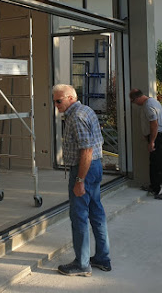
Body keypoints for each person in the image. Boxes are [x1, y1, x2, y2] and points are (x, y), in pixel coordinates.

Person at [53, 84, 111, 277]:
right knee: (96, 213)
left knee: (79, 216)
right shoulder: (85, 110)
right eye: (54, 101)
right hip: (94, 167)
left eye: (58, 101)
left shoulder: (76, 117)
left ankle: (82, 263)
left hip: (84, 169)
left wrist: (79, 180)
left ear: (70, 98)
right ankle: (102, 258)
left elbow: (86, 150)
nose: (56, 105)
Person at [129, 88, 162, 200]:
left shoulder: (149, 105)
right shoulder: (151, 102)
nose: (134, 104)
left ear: (137, 98)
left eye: (133, 101)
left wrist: (152, 141)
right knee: (154, 164)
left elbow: (154, 124)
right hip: (156, 136)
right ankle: (154, 187)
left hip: (159, 137)